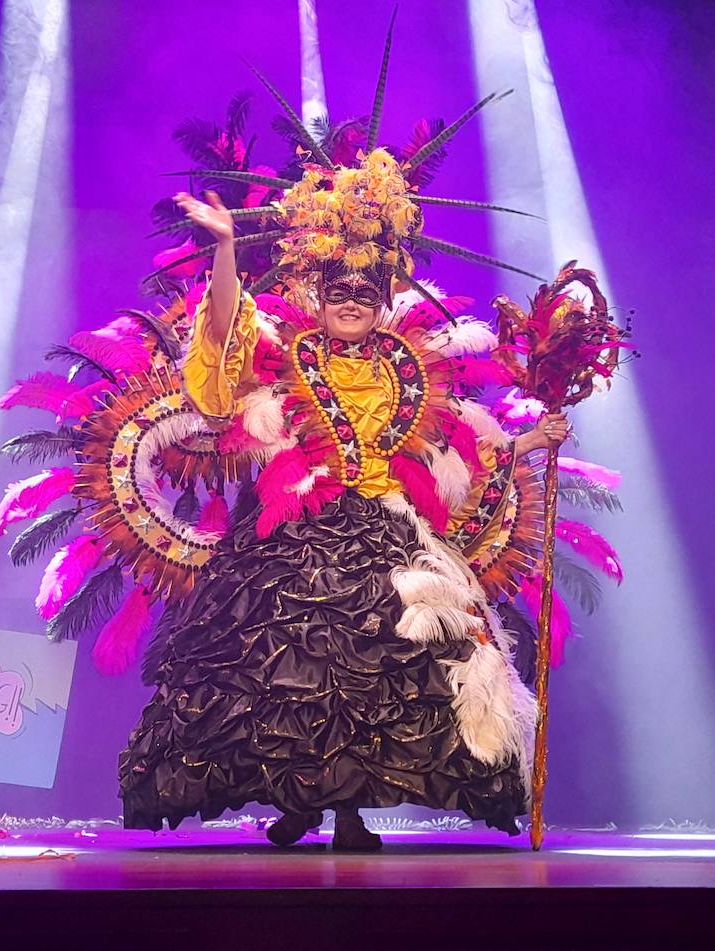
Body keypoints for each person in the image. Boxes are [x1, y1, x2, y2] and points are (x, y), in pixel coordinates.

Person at [116, 187, 568, 850]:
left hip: (391, 536)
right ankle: (297, 801)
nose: (350, 301)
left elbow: (463, 449)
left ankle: (350, 814)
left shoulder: (411, 371)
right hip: (292, 528)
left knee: (382, 673)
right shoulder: (283, 360)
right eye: (338, 292)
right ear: (319, 299)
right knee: (275, 666)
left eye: (364, 293)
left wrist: (529, 443)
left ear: (384, 302)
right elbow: (219, 336)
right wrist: (224, 248)